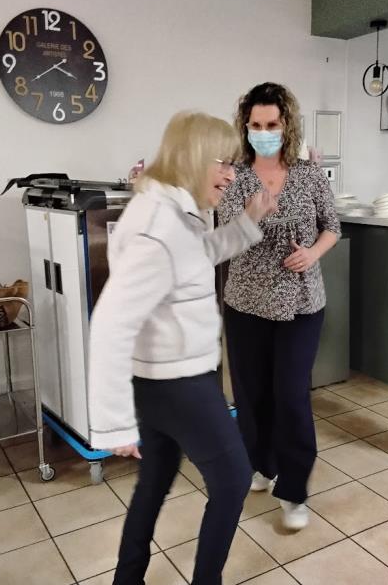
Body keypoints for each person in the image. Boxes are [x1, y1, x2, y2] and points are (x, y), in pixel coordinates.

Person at [87, 111, 277, 585]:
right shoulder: (159, 225)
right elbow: (110, 324)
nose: (230, 175)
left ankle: (127, 578)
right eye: (223, 163)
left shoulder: (171, 211)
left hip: (159, 381)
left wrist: (249, 220)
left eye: (233, 165)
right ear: (193, 157)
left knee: (155, 481)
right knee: (233, 479)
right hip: (178, 384)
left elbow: (199, 255)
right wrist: (113, 423)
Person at [217, 82, 341, 531]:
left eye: (271, 124)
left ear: (286, 124)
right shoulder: (233, 176)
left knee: (290, 395)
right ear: (245, 126)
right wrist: (252, 215)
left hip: (301, 303)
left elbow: (332, 226)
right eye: (256, 125)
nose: (264, 132)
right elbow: (225, 241)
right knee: (251, 395)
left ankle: (293, 490)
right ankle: (261, 463)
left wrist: (313, 253)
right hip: (246, 302)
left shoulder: (309, 175)